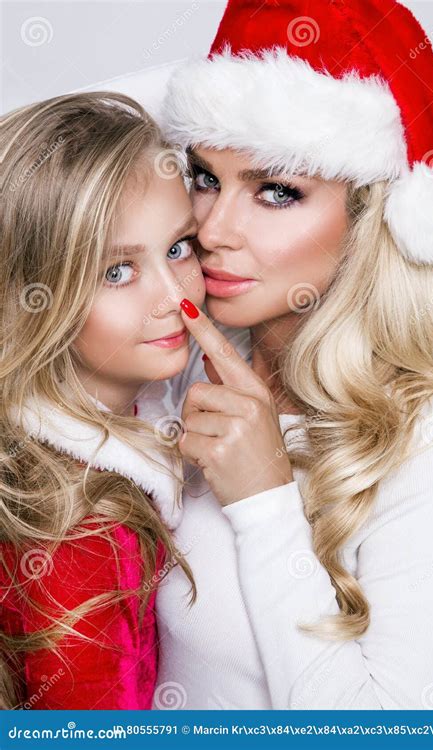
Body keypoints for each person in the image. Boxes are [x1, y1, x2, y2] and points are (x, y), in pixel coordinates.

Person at [147, 0, 433, 709]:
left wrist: (265, 502)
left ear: (374, 214)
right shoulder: (176, 358)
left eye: (275, 190)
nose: (212, 228)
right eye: (204, 177)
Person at [0, 91, 205, 709]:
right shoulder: (79, 538)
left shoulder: (140, 411)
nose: (173, 295)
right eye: (117, 271)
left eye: (178, 247)